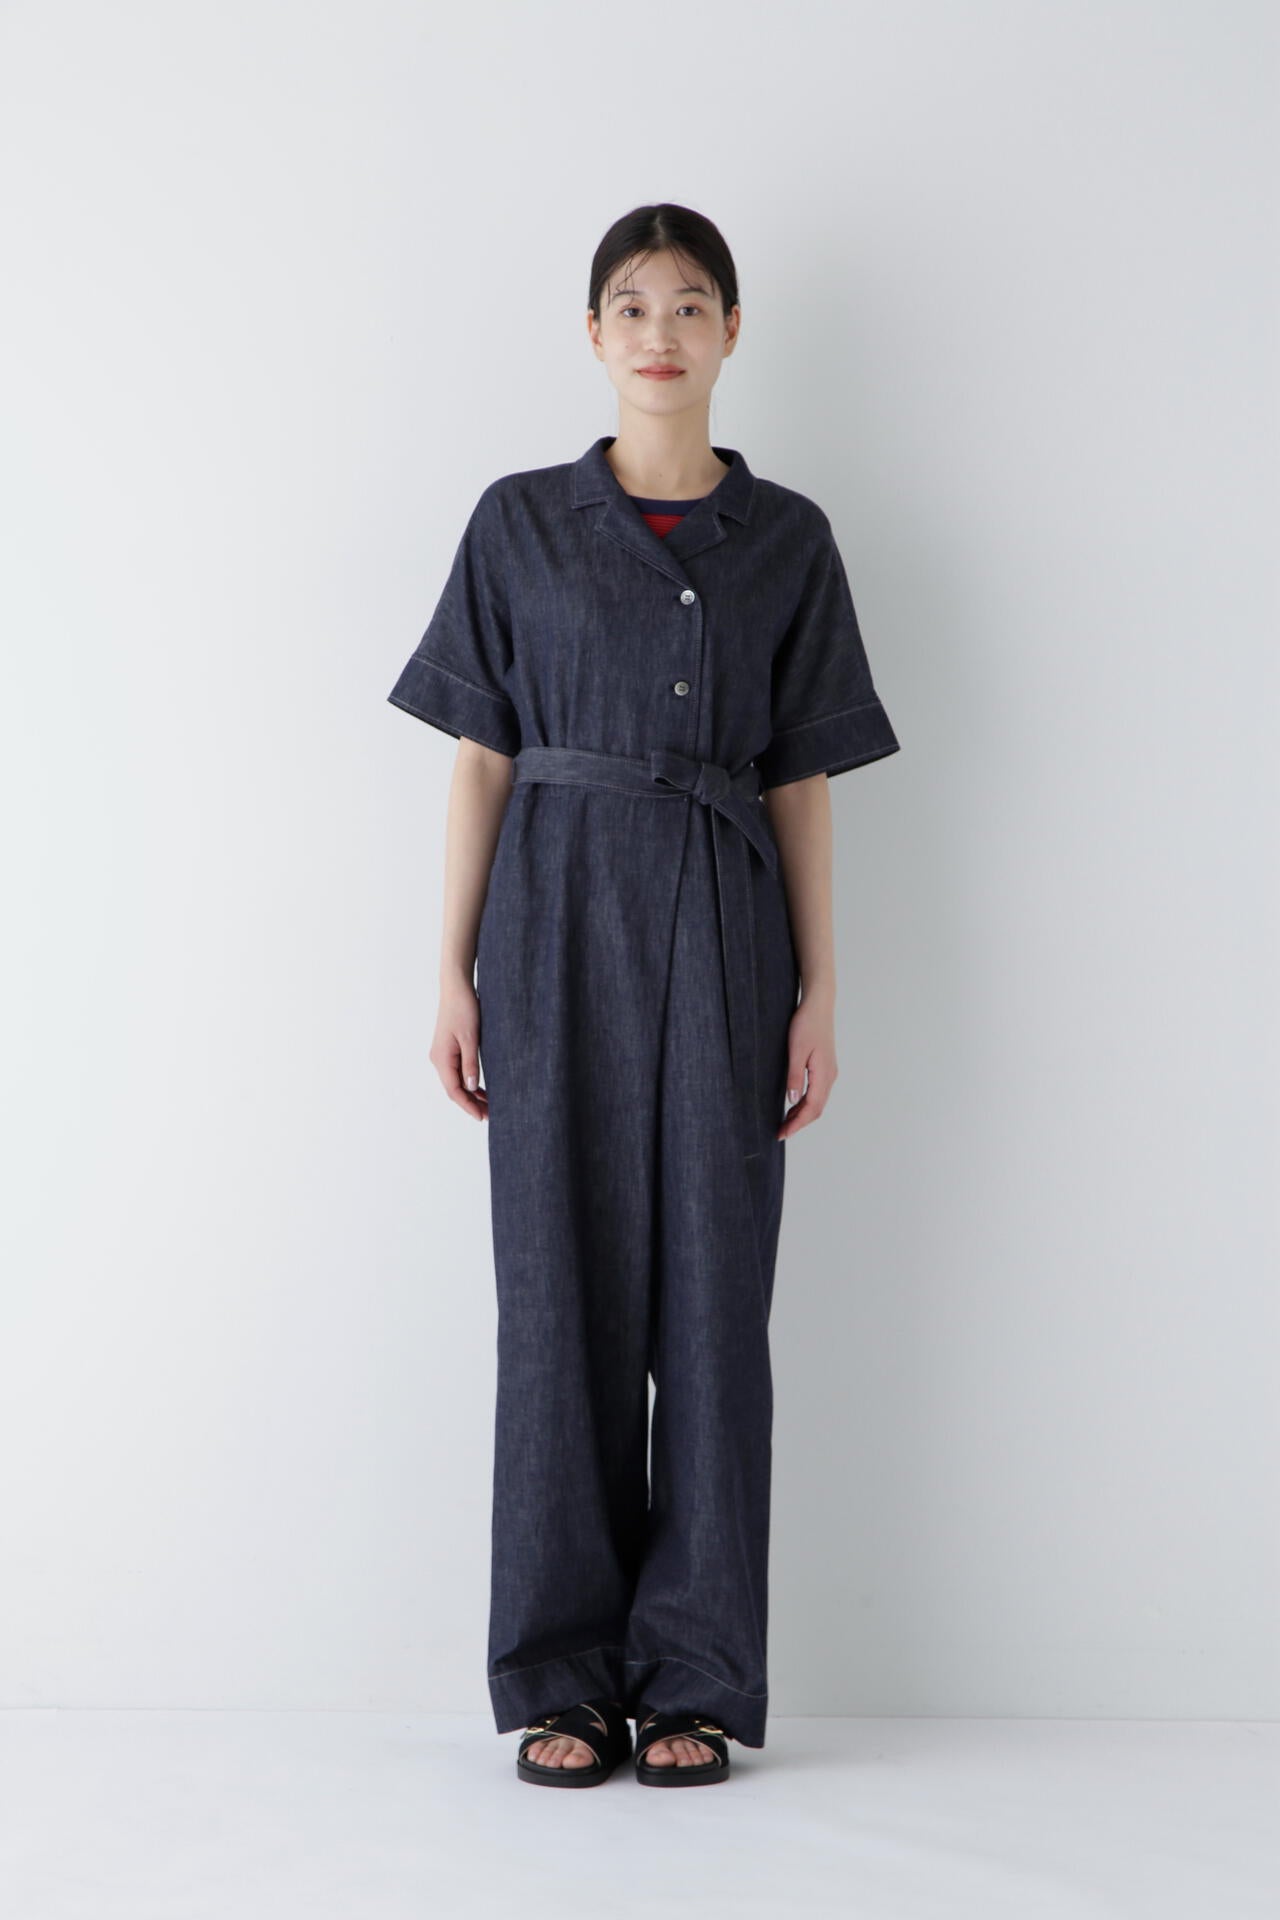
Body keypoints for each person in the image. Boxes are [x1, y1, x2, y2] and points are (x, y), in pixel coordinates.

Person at [387, 204, 900, 1787]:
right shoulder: (518, 524)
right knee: (558, 1299)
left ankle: (693, 1682)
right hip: (552, 929)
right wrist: (450, 970)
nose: (659, 331)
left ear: (732, 331)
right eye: (630, 304)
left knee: (713, 1307)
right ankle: (561, 1677)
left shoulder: (790, 540)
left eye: (689, 304)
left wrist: (820, 991)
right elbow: (481, 761)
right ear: (593, 335)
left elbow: (803, 779)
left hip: (731, 933)